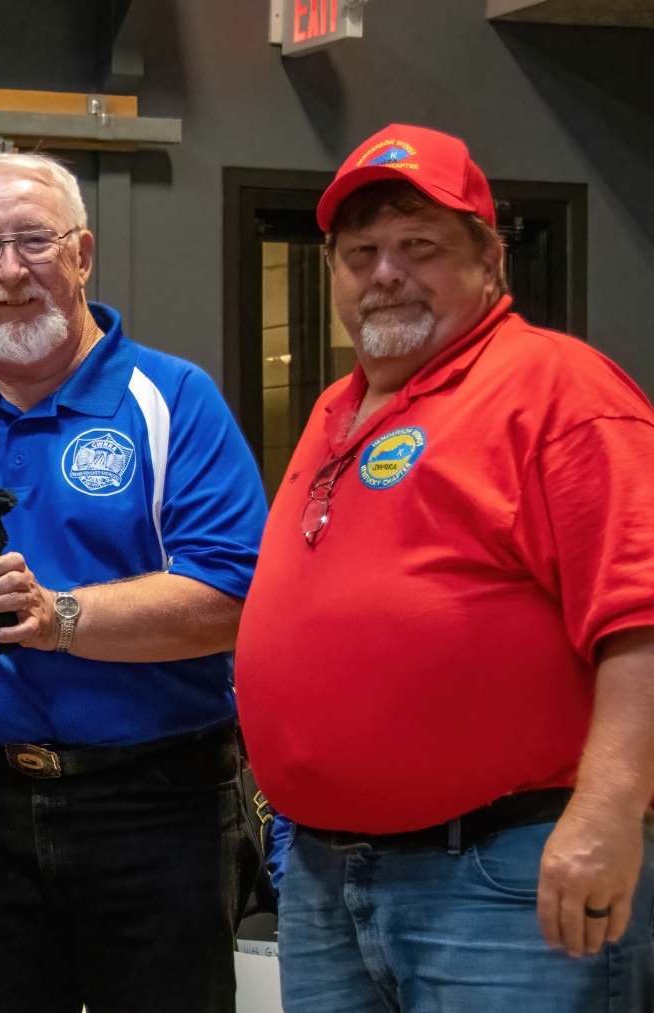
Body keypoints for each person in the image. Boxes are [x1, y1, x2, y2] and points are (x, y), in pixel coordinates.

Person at [237, 124, 654, 1011]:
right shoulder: (337, 407)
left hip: (504, 878)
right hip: (327, 874)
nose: (385, 272)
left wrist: (610, 809)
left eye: (418, 246)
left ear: (490, 260)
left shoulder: (560, 391)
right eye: (361, 253)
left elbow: (642, 616)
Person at [0, 152, 268, 1012]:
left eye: (34, 241)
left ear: (83, 253)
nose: (10, 272)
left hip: (155, 807)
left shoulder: (175, 400)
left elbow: (234, 598)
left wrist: (60, 617)